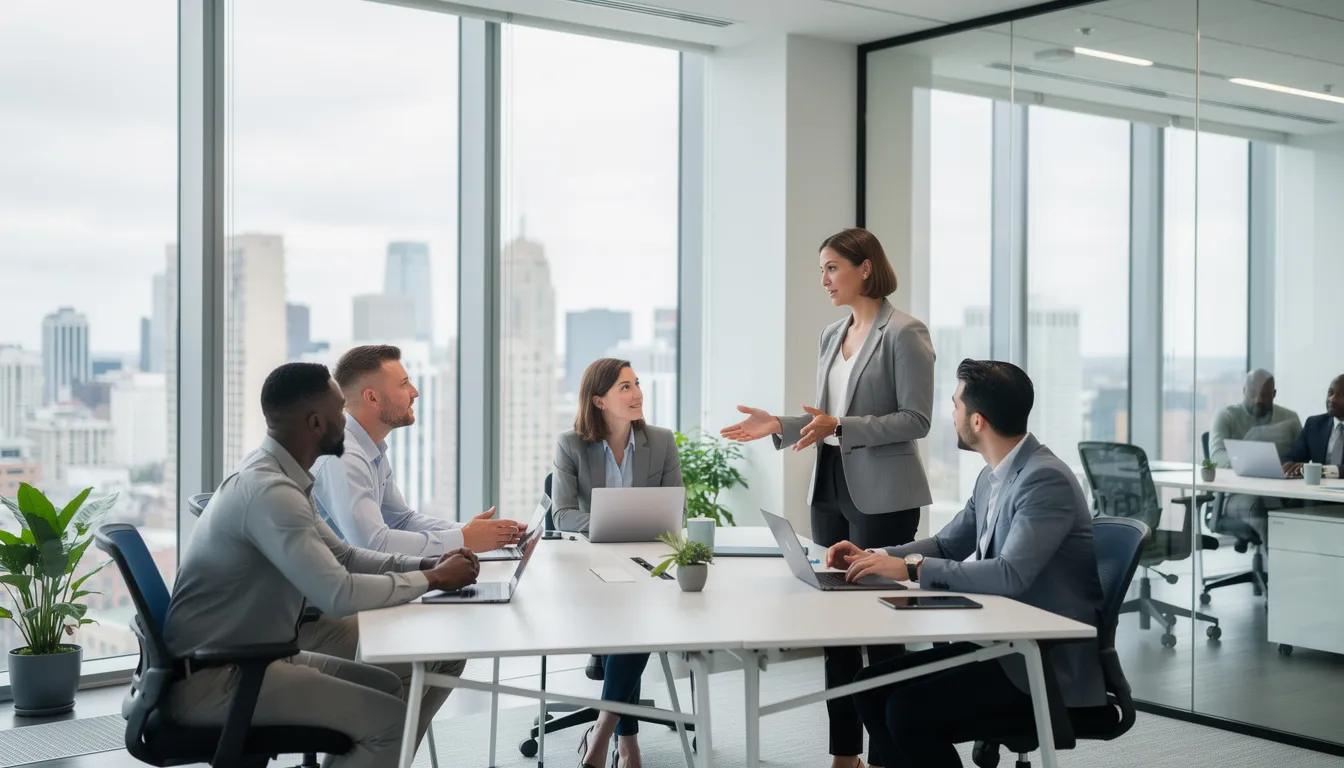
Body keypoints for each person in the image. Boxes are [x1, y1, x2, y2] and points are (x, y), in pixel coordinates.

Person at [163, 363, 480, 768]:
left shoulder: (281, 474)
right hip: (219, 676)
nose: (346, 420)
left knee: (387, 686)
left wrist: (426, 561)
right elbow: (337, 593)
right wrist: (432, 578)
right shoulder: (272, 492)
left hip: (250, 655)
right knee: (389, 720)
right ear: (315, 422)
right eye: (339, 410)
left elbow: (344, 556)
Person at [720, 227, 934, 768]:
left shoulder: (904, 332)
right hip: (830, 486)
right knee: (834, 625)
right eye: (822, 270)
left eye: (832, 268)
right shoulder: (831, 334)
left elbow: (916, 419)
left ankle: (887, 754)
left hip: (884, 494)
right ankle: (844, 753)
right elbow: (827, 421)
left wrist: (839, 425)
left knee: (881, 627)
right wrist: (781, 424)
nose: (824, 280)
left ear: (866, 268)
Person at [829, 359, 1104, 768]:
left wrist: (912, 570)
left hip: (1040, 661)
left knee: (907, 711)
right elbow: (946, 544)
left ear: (977, 421)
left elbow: (1010, 574)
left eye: (955, 404)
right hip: (1001, 643)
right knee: (870, 686)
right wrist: (878, 556)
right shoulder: (993, 476)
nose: (951, 413)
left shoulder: (1044, 480)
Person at [552, 358, 682, 768]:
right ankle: (625, 745)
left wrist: (628, 524)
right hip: (591, 567)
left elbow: (674, 510)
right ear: (599, 401)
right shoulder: (571, 444)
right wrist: (613, 523)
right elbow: (562, 515)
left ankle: (603, 734)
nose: (637, 393)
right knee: (632, 627)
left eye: (636, 383)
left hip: (646, 564)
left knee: (634, 621)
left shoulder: (661, 441)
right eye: (625, 387)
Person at [312, 344, 522, 555]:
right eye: (404, 384)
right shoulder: (342, 456)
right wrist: (464, 539)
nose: (415, 392)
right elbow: (375, 545)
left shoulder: (370, 448)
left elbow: (401, 521)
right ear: (372, 398)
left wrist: (479, 533)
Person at [1207, 369, 1302, 540]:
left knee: (1309, 507)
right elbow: (1217, 458)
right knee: (1262, 507)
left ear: (1274, 394)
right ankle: (1275, 557)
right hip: (1235, 495)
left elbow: (1303, 457)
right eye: (1252, 394)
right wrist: (1256, 463)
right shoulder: (1226, 416)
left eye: (1264, 395)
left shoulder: (1290, 419)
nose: (1258, 400)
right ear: (1244, 391)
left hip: (1280, 492)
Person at [1282, 373, 1344, 478]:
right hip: (1317, 488)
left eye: (1341, 394)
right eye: (1330, 393)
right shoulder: (1314, 424)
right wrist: (1289, 465)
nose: (1332, 399)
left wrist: (1321, 470)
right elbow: (1291, 457)